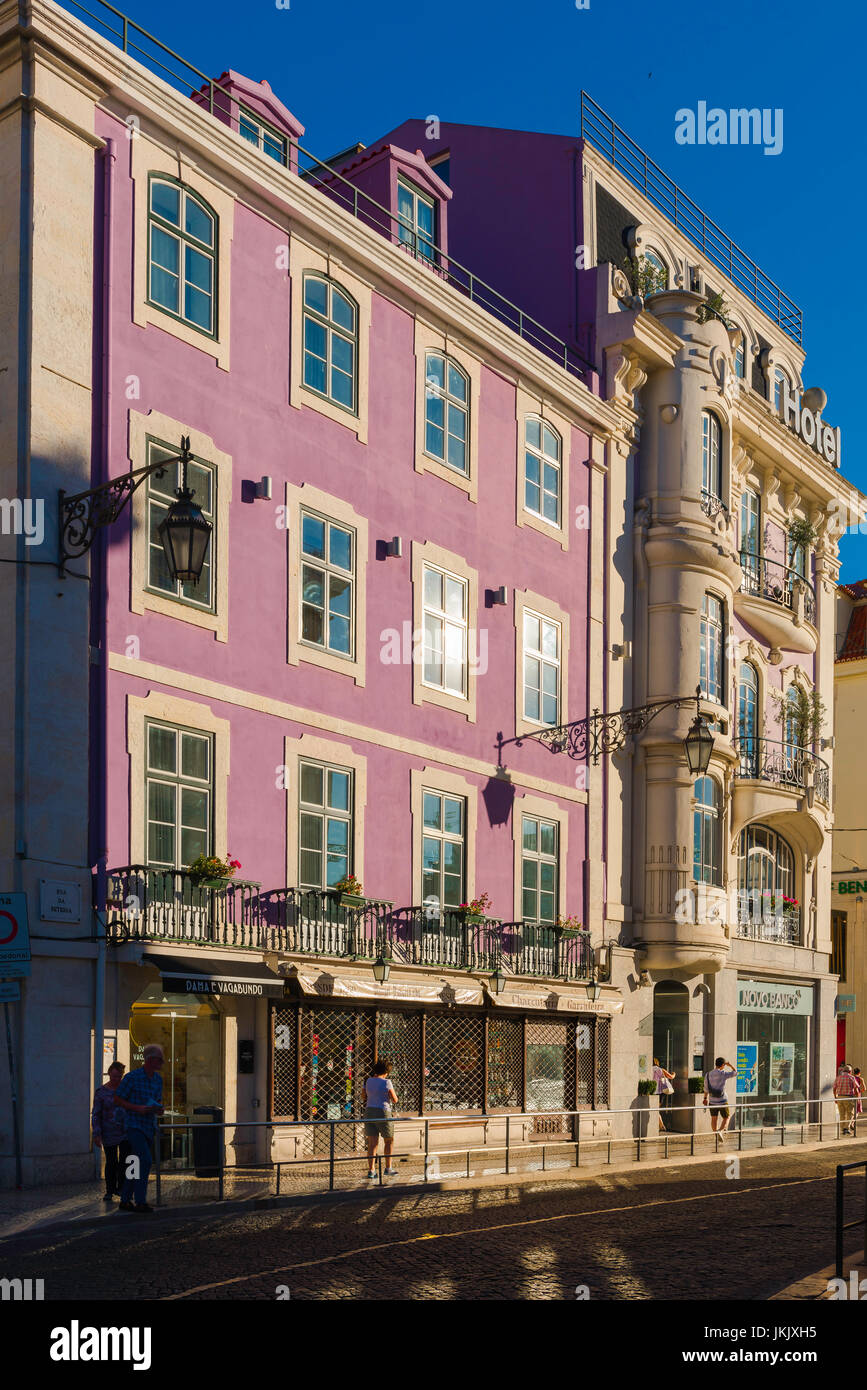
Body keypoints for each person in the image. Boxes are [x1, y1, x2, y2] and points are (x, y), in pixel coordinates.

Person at [114, 1044, 165, 1212]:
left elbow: (158, 1100)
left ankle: (125, 1200)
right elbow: (117, 1099)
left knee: (135, 1162)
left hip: (149, 1126)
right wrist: (137, 1108)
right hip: (134, 1125)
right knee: (145, 1159)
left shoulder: (158, 1080)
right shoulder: (132, 1077)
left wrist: (159, 1109)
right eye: (160, 1059)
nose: (163, 1062)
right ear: (150, 1060)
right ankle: (140, 1200)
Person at [91, 1061, 131, 1202]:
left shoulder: (126, 1091)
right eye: (114, 1076)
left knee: (125, 1160)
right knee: (111, 1161)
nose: (116, 1079)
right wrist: (96, 1133)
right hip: (108, 1132)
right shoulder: (101, 1092)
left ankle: (122, 1188)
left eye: (119, 1077)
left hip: (125, 1132)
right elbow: (96, 1113)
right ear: (109, 1074)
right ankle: (110, 1190)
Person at [363, 1059, 398, 1179]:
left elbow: (364, 1096)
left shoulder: (368, 1081)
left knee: (372, 1143)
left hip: (369, 1111)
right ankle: (388, 1168)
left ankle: (371, 1170)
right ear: (386, 1071)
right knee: (389, 1140)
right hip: (383, 1112)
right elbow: (395, 1099)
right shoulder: (387, 1082)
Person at [703, 1056, 737, 1137]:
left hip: (712, 1101)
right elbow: (735, 1072)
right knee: (727, 1117)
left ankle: (716, 1134)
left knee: (714, 1119)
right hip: (722, 1101)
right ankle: (720, 1131)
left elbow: (706, 1088)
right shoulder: (723, 1074)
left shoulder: (708, 1075)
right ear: (723, 1065)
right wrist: (730, 1065)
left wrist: (705, 1098)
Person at [833, 1064, 860, 1136]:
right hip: (848, 1097)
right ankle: (847, 1128)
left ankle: (843, 1129)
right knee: (850, 1113)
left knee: (842, 1114)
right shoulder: (851, 1078)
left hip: (840, 1098)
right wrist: (857, 1099)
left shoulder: (838, 1077)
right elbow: (856, 1089)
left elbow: (834, 1088)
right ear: (850, 1071)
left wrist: (835, 1098)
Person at [652, 1057, 675, 1132]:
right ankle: (661, 1125)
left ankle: (661, 1125)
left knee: (655, 1110)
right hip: (661, 1092)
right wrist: (674, 1074)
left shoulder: (649, 1069)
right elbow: (671, 1077)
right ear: (657, 1062)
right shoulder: (660, 1069)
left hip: (652, 1092)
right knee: (656, 1109)